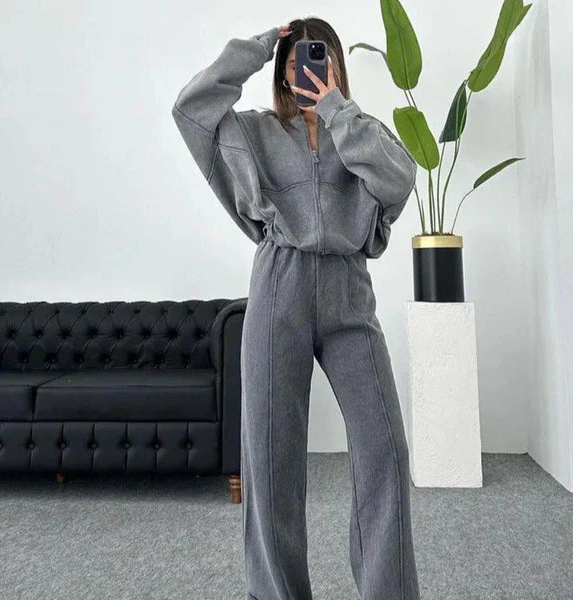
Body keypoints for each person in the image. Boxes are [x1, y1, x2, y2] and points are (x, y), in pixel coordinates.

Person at [171, 16, 420, 600]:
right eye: (294, 63)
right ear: (282, 73)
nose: (304, 71)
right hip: (279, 284)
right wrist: (260, 47)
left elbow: (400, 179)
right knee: (270, 458)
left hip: (348, 291)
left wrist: (335, 110)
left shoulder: (361, 130)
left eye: (317, 58)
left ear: (335, 66)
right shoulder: (255, 131)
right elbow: (190, 108)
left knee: (384, 450)